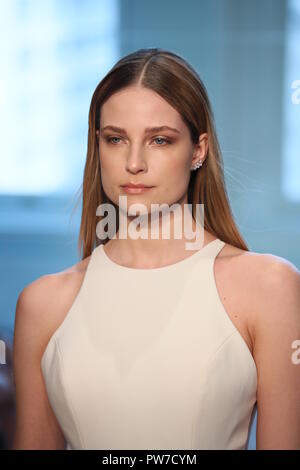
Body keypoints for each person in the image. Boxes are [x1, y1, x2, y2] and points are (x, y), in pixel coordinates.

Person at [11, 48, 300, 450]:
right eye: (116, 139)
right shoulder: (42, 305)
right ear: (98, 148)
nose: (134, 163)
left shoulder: (269, 287)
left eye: (159, 140)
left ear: (198, 150)